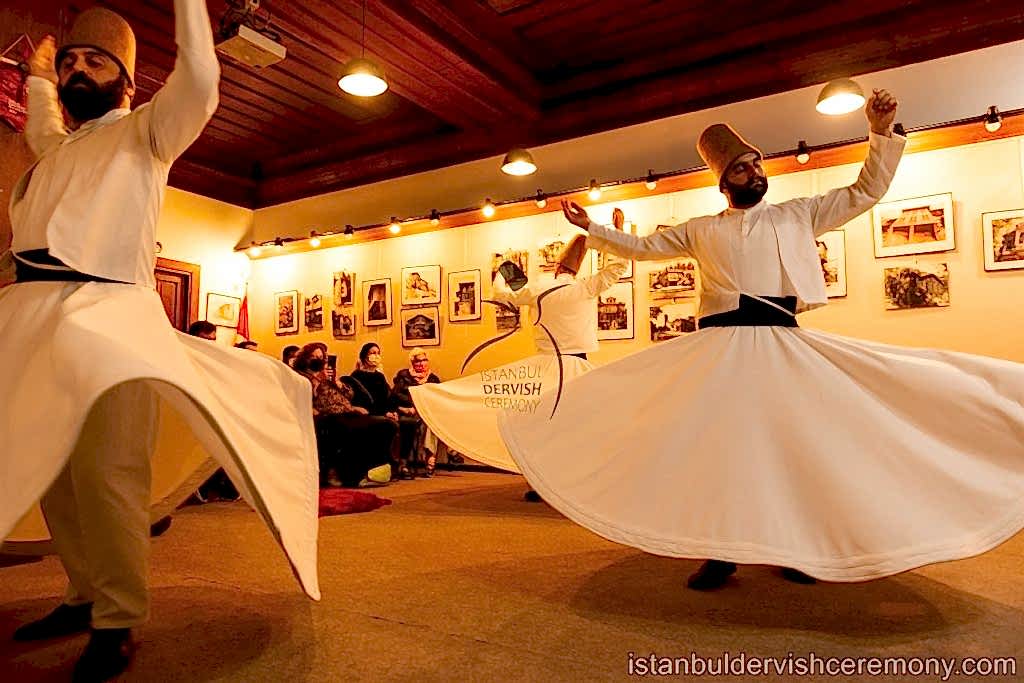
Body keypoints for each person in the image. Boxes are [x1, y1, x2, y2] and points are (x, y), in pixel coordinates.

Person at [498, 88, 1024, 591]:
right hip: (718, 353)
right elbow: (642, 246)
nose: (755, 172)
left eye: (757, 163)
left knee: (791, 448)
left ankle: (794, 548)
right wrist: (592, 227)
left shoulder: (800, 213)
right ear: (724, 182)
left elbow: (866, 191)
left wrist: (880, 135)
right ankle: (720, 550)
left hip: (780, 346)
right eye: (743, 168)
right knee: (721, 451)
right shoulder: (702, 228)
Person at [0, 4, 319, 680]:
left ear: (129, 82)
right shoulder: (57, 149)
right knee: (57, 475)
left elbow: (201, 77)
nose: (77, 69)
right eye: (70, 63)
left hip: (112, 318)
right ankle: (83, 595)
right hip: (37, 321)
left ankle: (117, 619)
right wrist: (35, 77)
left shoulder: (148, 132)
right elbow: (42, 126)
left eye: (96, 61)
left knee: (108, 474)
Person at [411, 220, 626, 490]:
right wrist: (615, 234)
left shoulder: (537, 288)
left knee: (543, 426)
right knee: (577, 426)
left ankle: (542, 480)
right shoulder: (585, 287)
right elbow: (618, 267)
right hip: (575, 365)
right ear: (577, 267)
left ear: (557, 265)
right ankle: (571, 480)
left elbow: (501, 291)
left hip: (545, 367)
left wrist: (506, 264)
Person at [294, 344, 393, 488]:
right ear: (305, 359)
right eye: (314, 357)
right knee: (356, 429)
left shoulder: (328, 376)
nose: (319, 360)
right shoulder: (301, 377)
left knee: (386, 425)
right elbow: (307, 398)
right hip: (327, 417)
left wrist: (336, 382)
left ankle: (373, 470)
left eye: (322, 357)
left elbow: (349, 394)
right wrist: (317, 381)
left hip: (348, 412)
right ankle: (352, 477)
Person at [342, 343, 409, 478]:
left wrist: (394, 411)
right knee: (389, 425)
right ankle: (385, 463)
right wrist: (385, 413)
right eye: (372, 353)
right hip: (368, 413)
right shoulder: (357, 376)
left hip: (384, 412)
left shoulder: (379, 376)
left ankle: (402, 464)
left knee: (409, 423)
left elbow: (388, 397)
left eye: (378, 353)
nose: (376, 356)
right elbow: (363, 401)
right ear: (365, 356)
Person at [392, 348, 442, 476]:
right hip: (406, 412)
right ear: (412, 363)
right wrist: (405, 408)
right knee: (409, 424)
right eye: (417, 361)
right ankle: (406, 463)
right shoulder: (403, 376)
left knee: (433, 423)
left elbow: (437, 399)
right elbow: (394, 396)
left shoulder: (433, 379)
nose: (421, 364)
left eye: (424, 360)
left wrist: (420, 407)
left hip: (425, 412)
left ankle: (430, 459)